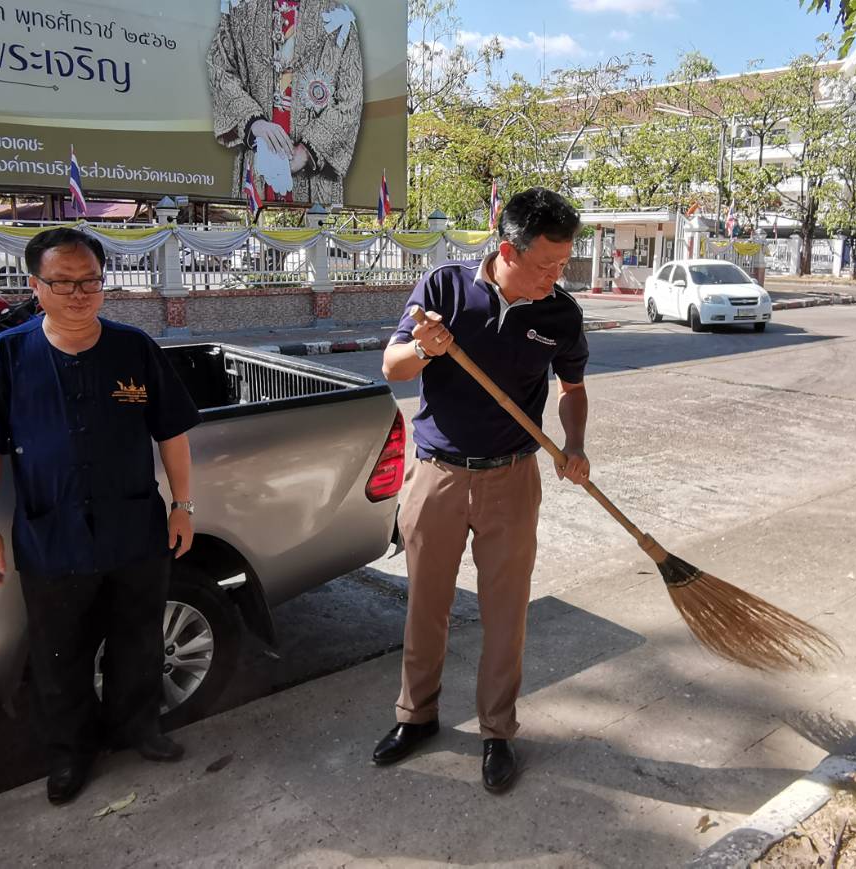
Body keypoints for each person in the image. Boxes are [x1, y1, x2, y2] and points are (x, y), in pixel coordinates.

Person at [0, 227, 202, 805]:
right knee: (58, 652)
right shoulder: (8, 355)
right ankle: (69, 753)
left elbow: (171, 435)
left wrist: (183, 506)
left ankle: (139, 728)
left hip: (135, 529)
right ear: (36, 287)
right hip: (52, 535)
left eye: (89, 280)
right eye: (62, 282)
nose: (78, 293)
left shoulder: (134, 349)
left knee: (138, 638)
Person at [370, 188, 592, 795]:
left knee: (505, 613)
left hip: (512, 477)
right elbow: (391, 367)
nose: (554, 276)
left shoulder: (560, 315)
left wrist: (574, 445)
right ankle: (416, 717)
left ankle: (498, 731)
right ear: (506, 251)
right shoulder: (443, 289)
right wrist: (425, 348)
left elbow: (572, 390)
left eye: (562, 264)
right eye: (544, 264)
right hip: (437, 475)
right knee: (427, 606)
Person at [208, 0, 364, 206]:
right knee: (253, 233)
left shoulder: (339, 18)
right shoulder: (240, 8)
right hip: (256, 167)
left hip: (313, 181)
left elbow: (350, 100)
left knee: (312, 233)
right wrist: (254, 123)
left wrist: (307, 151)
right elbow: (219, 68)